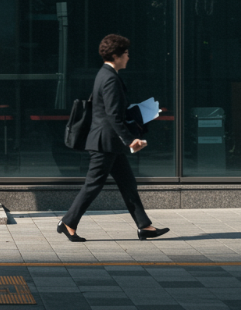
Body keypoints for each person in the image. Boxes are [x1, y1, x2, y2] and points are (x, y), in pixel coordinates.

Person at [57, 34, 170, 242]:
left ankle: (144, 226)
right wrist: (130, 139)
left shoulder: (105, 74)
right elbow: (113, 115)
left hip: (109, 142)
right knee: (93, 185)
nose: (128, 57)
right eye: (126, 53)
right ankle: (68, 222)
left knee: (128, 184)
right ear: (116, 55)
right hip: (105, 142)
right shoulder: (109, 78)